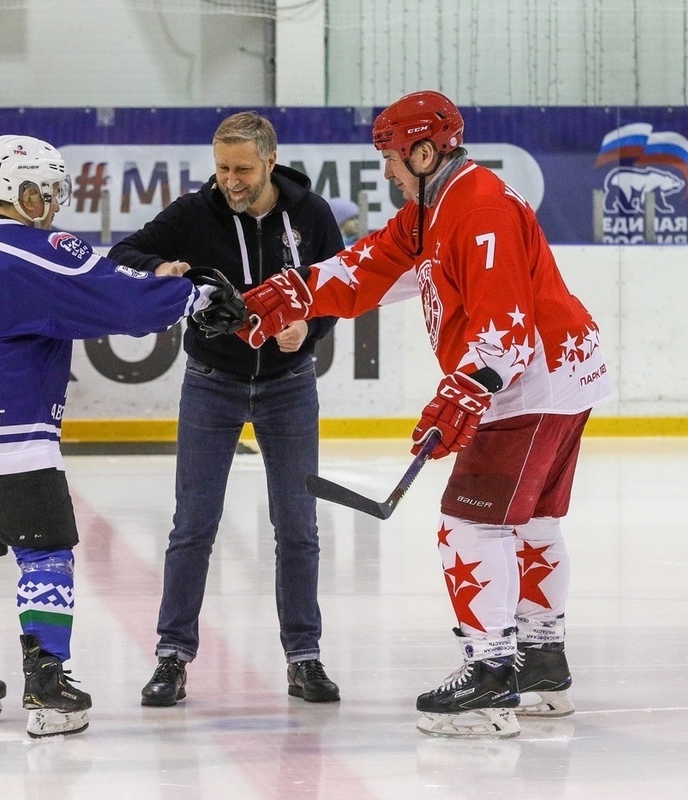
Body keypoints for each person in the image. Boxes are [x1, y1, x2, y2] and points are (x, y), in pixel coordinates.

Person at [225, 91, 613, 739]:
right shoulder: (436, 207)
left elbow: (505, 318)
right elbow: (369, 266)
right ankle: (542, 665)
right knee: (534, 522)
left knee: (470, 524)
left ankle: (490, 677)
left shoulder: (480, 207)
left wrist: (470, 387)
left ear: (427, 151)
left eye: (394, 158)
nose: (389, 171)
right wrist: (289, 293)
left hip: (526, 382)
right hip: (561, 375)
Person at [0, 134, 244, 739]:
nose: (56, 204)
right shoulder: (39, 249)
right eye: (50, 191)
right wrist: (191, 294)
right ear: (25, 193)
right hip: (11, 439)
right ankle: (47, 684)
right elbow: (117, 299)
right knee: (44, 555)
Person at [108, 111, 345, 707]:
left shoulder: (310, 216)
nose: (230, 181)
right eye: (221, 168)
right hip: (211, 383)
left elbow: (341, 288)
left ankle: (304, 657)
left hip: (290, 386)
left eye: (242, 169)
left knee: (298, 528)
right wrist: (158, 269)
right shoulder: (193, 212)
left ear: (269, 161)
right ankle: (171, 656)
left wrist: (308, 327)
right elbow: (124, 252)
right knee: (193, 525)